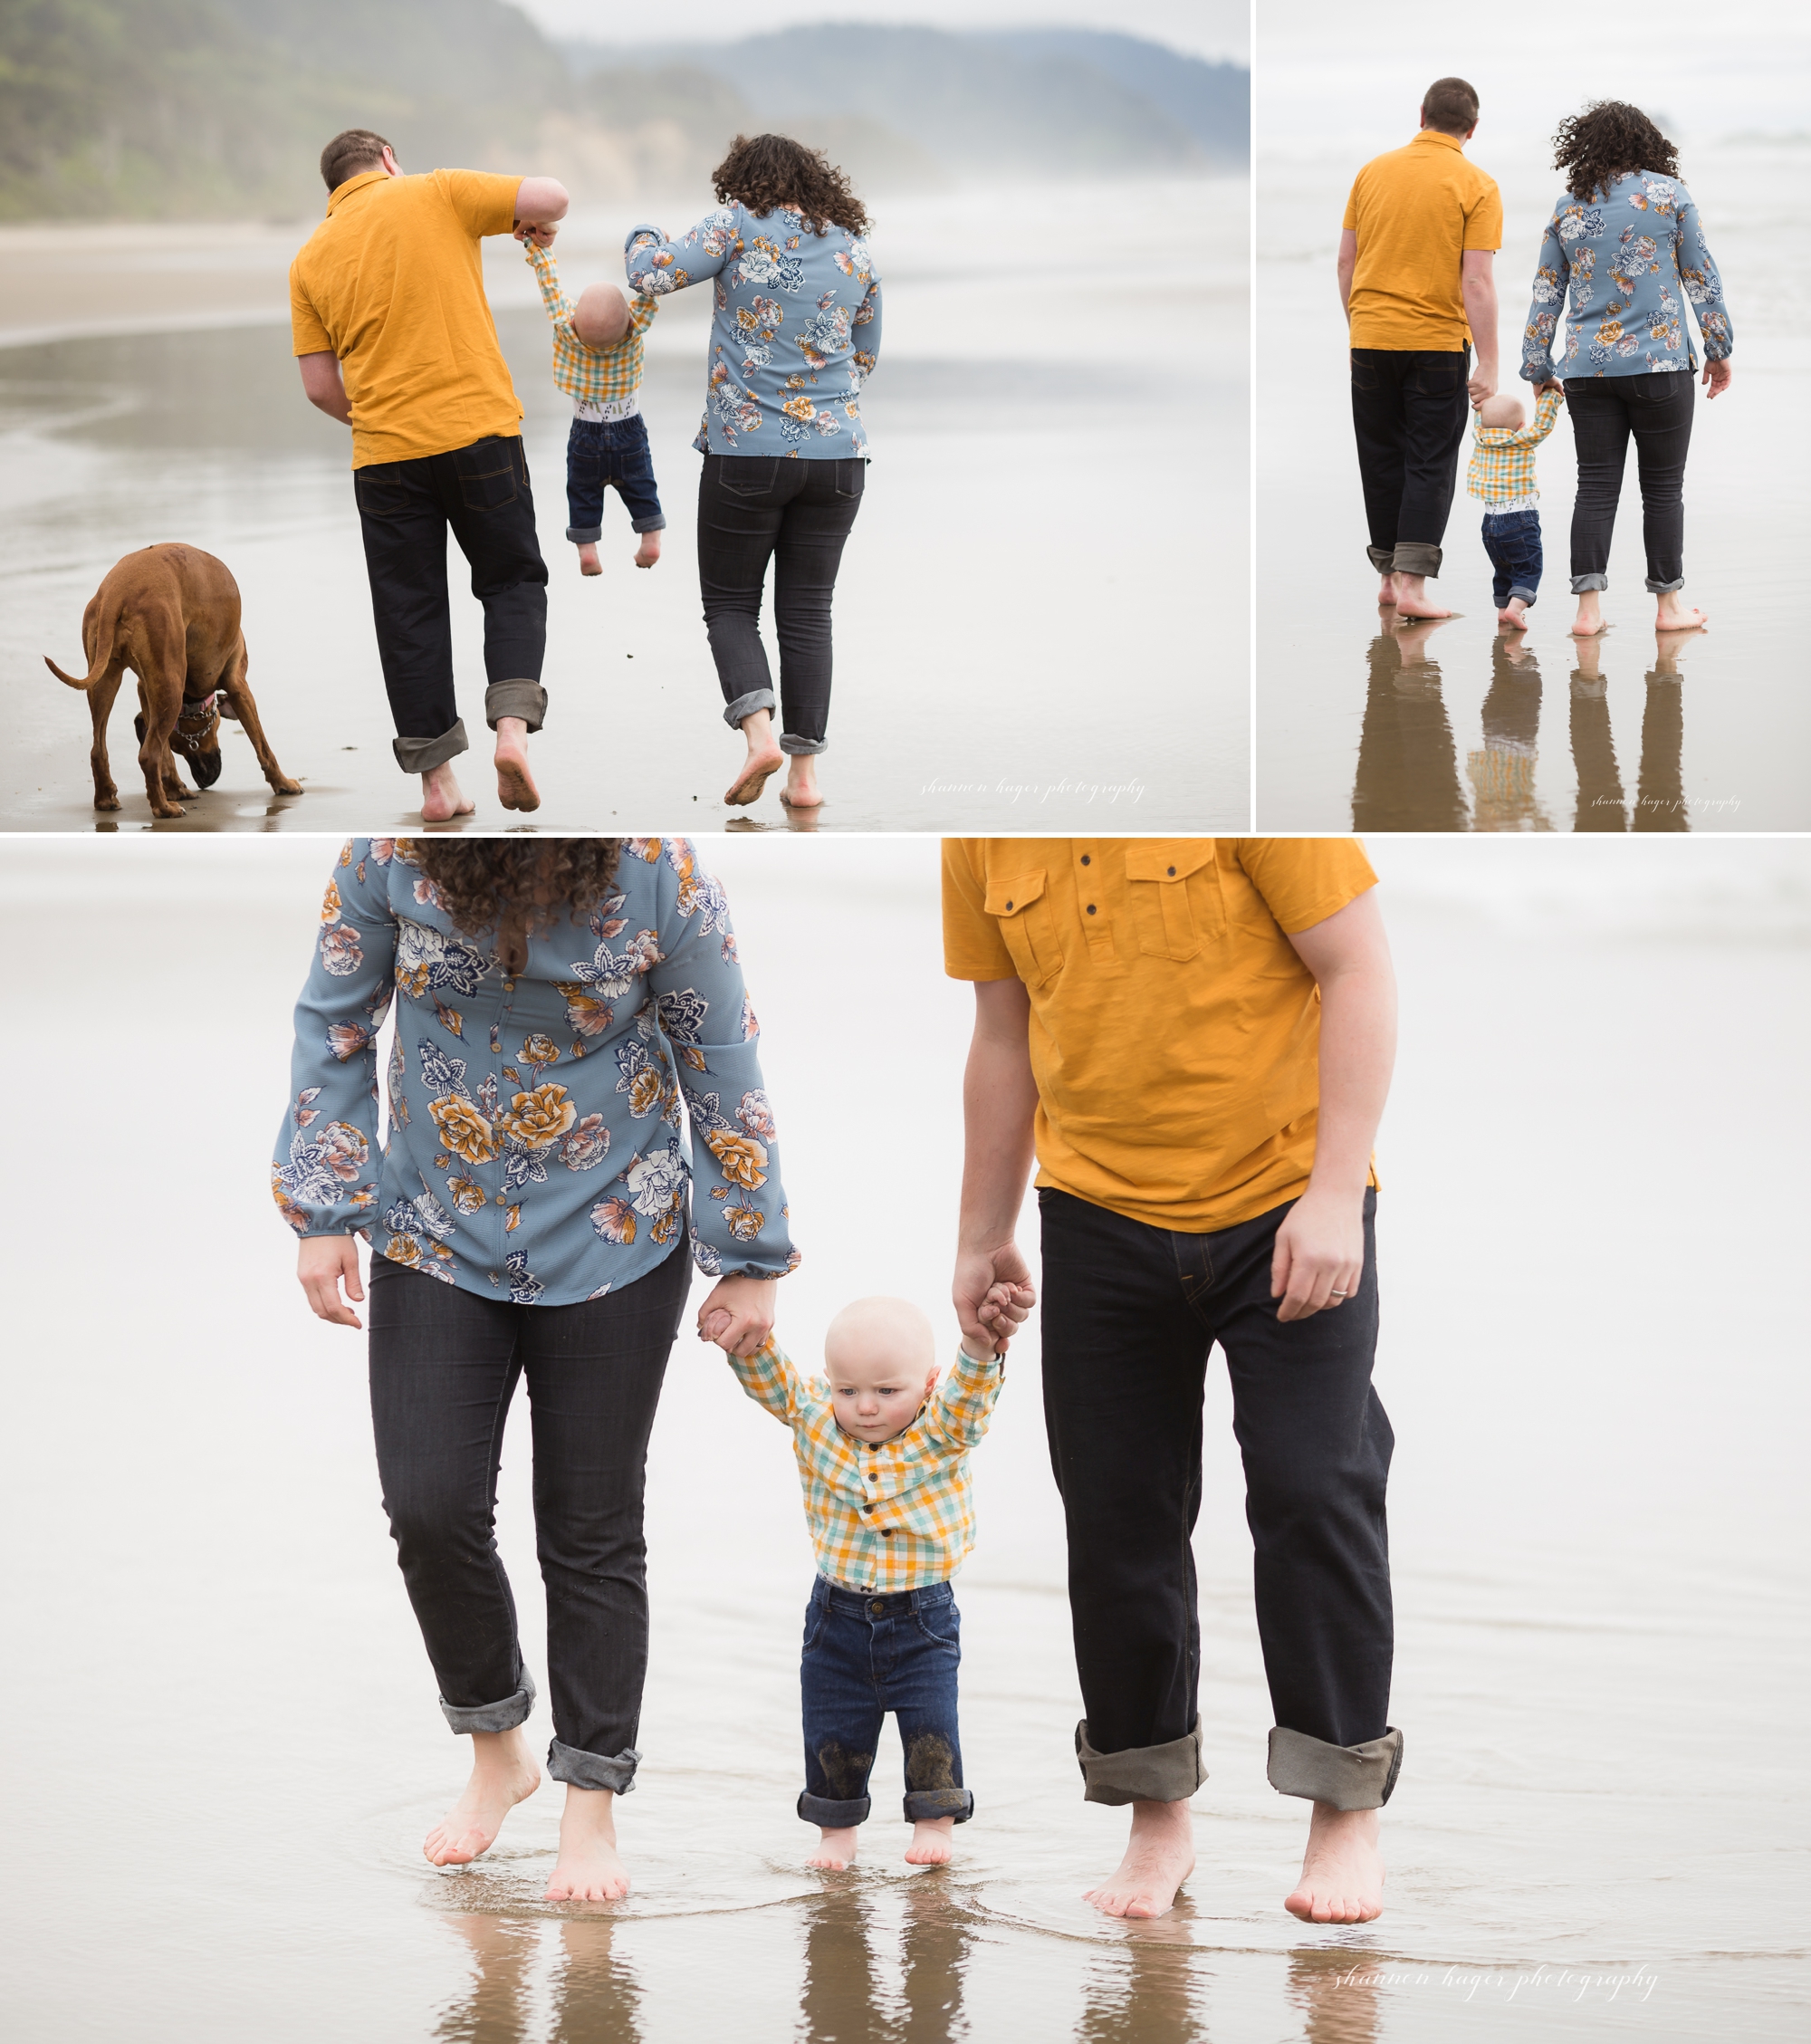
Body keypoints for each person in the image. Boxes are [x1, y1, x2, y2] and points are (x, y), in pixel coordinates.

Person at [276, 835, 795, 1903]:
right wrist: (324, 1208)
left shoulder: (658, 870)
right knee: (429, 1507)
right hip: (431, 1221)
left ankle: (589, 1808)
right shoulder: (388, 857)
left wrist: (748, 1255)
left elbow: (719, 1052)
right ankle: (496, 1746)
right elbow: (336, 1021)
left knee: (591, 1527)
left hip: (619, 1225)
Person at [944, 838, 1402, 1924]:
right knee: (1116, 1516)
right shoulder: (979, 834)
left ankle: (1342, 1814)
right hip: (1094, 1212)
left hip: (1285, 1198)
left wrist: (1334, 1192)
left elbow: (1357, 967)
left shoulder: (1241, 802)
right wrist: (981, 1234)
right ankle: (1156, 1817)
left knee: (1310, 1484)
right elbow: (1001, 1032)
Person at [290, 130, 570, 820]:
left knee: (408, 613)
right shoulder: (436, 191)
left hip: (385, 457)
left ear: (333, 186)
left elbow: (320, 389)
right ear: (389, 159)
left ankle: (438, 785)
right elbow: (553, 197)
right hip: (479, 434)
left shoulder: (309, 259)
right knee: (510, 581)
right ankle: (511, 731)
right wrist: (525, 219)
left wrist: (379, 420)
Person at [704, 1294, 1021, 1870]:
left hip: (922, 1616)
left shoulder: (942, 1429)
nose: (866, 1406)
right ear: (830, 1383)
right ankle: (836, 1832)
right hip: (836, 1617)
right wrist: (742, 1339)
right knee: (833, 1726)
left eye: (887, 1391)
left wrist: (980, 1346)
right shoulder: (814, 1418)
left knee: (931, 1723)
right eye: (847, 1390)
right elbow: (775, 1383)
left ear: (928, 1384)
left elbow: (971, 1397)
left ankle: (934, 1822)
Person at [625, 133, 882, 813]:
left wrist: (642, 233)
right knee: (809, 611)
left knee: (732, 605)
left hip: (746, 454)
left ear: (744, 180)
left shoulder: (735, 224)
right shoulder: (855, 249)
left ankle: (759, 736)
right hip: (838, 459)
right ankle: (805, 778)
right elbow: (864, 356)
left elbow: (650, 275)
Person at [1519, 101, 1733, 638]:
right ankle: (1668, 607)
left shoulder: (1568, 208)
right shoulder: (1670, 196)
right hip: (1661, 365)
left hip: (1587, 371)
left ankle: (1587, 613)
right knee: (1662, 488)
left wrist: (1537, 365)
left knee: (1594, 486)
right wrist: (1717, 347)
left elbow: (1547, 293)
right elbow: (1701, 276)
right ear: (1648, 145)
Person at [1339, 79, 1503, 620]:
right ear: (1472, 129)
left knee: (1379, 454)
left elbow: (1346, 263)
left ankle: (1388, 580)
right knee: (1429, 460)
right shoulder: (1477, 184)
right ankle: (1412, 587)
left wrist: (1359, 327)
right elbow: (1475, 280)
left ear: (1422, 115)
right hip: (1435, 343)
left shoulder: (1371, 172)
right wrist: (1490, 361)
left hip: (1371, 337)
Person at [520, 232, 665, 577]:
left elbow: (550, 286)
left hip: (585, 433)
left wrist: (537, 247)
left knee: (582, 491)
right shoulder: (634, 329)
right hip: (629, 430)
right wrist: (657, 250)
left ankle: (587, 551)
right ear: (629, 321)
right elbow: (650, 293)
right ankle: (650, 539)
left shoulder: (566, 329)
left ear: (573, 320)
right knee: (642, 483)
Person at [1466, 385, 1564, 628]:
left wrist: (1482, 402)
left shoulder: (1480, 436)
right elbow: (1542, 426)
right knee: (1529, 567)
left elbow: (1481, 416)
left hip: (1489, 526)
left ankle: (1502, 611)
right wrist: (1550, 396)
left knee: (1503, 569)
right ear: (1521, 426)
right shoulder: (1520, 440)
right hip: (1519, 519)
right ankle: (1515, 609)